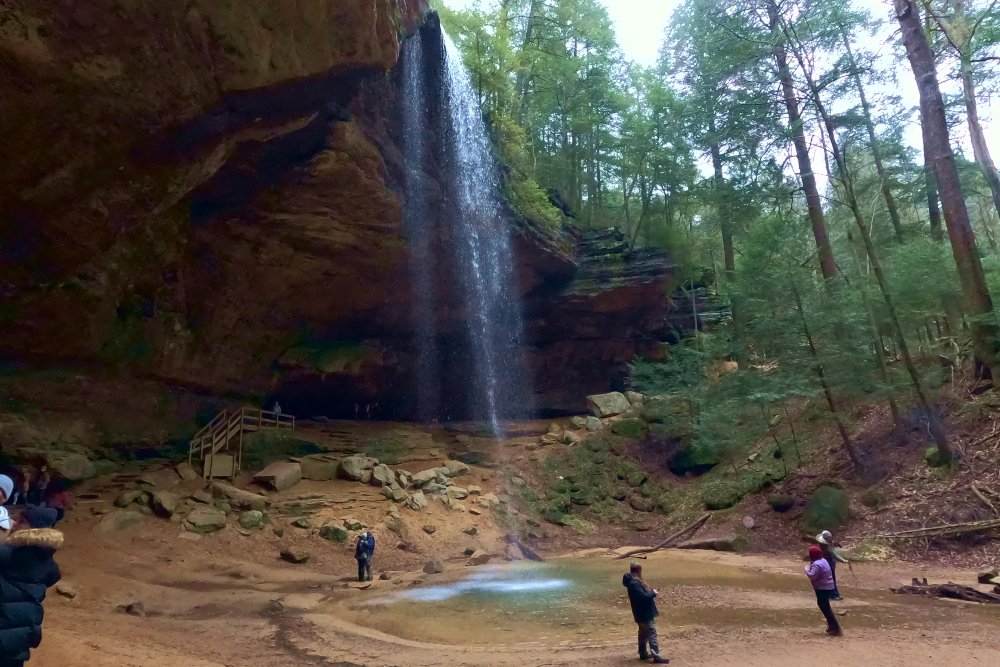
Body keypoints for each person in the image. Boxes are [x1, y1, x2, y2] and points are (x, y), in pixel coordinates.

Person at [0, 504, 63, 666]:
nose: (14, 523)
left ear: (33, 529)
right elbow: (53, 578)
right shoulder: (48, 564)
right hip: (19, 642)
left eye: (21, 521)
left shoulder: (7, 554)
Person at [622, 562, 669, 664]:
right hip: (644, 613)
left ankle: (643, 654)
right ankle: (656, 656)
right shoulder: (635, 583)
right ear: (639, 571)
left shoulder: (632, 582)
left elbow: (641, 595)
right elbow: (643, 597)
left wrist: (650, 592)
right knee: (652, 633)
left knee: (643, 634)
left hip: (639, 613)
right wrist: (653, 593)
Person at [805, 545, 842, 637]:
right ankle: (832, 627)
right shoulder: (823, 561)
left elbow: (812, 575)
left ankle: (835, 628)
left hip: (822, 588)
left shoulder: (817, 564)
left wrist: (806, 569)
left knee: (825, 607)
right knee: (825, 606)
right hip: (828, 586)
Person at [816, 530, 849, 600]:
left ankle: (828, 594)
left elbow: (833, 543)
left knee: (828, 579)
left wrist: (837, 544)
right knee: (832, 579)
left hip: (826, 563)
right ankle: (834, 595)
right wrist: (843, 560)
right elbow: (834, 555)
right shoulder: (826, 547)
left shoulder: (825, 543)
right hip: (828, 563)